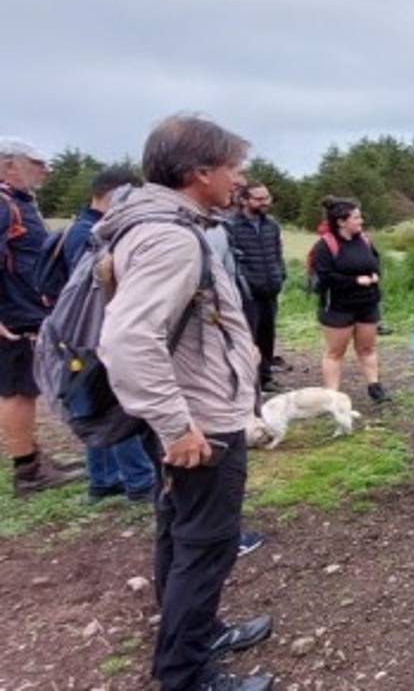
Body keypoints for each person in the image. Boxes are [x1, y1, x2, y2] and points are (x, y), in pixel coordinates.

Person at [95, 115, 272, 691]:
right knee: (207, 543)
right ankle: (188, 674)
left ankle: (195, 636)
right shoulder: (169, 237)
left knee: (180, 530)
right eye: (231, 169)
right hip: (200, 422)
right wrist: (178, 427)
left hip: (191, 411)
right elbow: (127, 340)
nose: (238, 181)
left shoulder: (154, 225)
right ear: (200, 172)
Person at [56, 166, 158, 504]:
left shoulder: (76, 229)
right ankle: (140, 482)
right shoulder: (96, 235)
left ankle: (102, 481)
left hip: (79, 337)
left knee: (93, 403)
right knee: (120, 407)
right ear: (117, 195)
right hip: (99, 333)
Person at [0, 137, 85, 494]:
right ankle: (27, 471)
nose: (45, 170)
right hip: (13, 318)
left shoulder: (20, 204)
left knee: (28, 389)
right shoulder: (4, 205)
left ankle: (33, 454)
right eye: (36, 163)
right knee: (17, 391)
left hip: (29, 312)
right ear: (8, 165)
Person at [311, 196, 389, 401]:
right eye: (356, 217)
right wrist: (355, 281)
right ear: (341, 222)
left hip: (367, 303)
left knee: (367, 348)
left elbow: (375, 261)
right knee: (335, 352)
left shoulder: (364, 239)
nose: (361, 221)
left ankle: (375, 387)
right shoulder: (325, 246)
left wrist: (375, 275)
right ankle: (331, 396)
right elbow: (325, 277)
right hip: (338, 306)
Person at [224, 183, 286, 392]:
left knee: (267, 336)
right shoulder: (230, 226)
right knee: (246, 337)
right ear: (244, 200)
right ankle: (245, 381)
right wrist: (244, 284)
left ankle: (265, 377)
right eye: (259, 199)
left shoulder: (271, 225)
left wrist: (280, 276)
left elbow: (277, 254)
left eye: (267, 198)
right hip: (246, 294)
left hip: (270, 290)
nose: (265, 202)